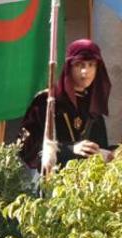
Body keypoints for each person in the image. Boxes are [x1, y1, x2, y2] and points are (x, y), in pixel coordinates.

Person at [19, 39, 115, 175]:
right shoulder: (46, 101)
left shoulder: (93, 104)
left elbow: (100, 148)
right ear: (69, 66)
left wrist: (112, 153)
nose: (85, 71)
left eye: (91, 65)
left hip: (89, 187)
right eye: (79, 64)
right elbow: (26, 148)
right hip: (55, 184)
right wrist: (70, 150)